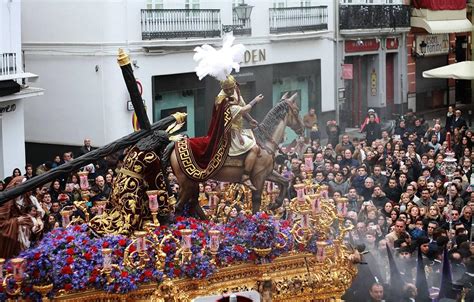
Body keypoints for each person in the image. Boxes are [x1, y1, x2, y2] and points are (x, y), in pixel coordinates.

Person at [216, 75, 264, 190]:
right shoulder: (222, 100)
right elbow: (243, 109)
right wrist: (255, 101)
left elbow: (242, 106)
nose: (228, 91)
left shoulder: (236, 90)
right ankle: (245, 176)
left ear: (234, 85)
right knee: (255, 148)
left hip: (240, 128)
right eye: (225, 89)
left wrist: (250, 119)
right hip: (229, 132)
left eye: (230, 88)